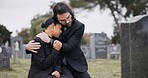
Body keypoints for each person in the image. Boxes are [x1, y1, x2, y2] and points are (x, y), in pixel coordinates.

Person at [26, 2, 91, 78]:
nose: (67, 21)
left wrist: (51, 41)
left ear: (71, 13)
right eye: (62, 20)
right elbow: (44, 35)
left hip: (75, 62)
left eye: (68, 17)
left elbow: (69, 46)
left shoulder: (79, 26)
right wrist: (27, 47)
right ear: (56, 18)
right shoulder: (55, 24)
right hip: (58, 63)